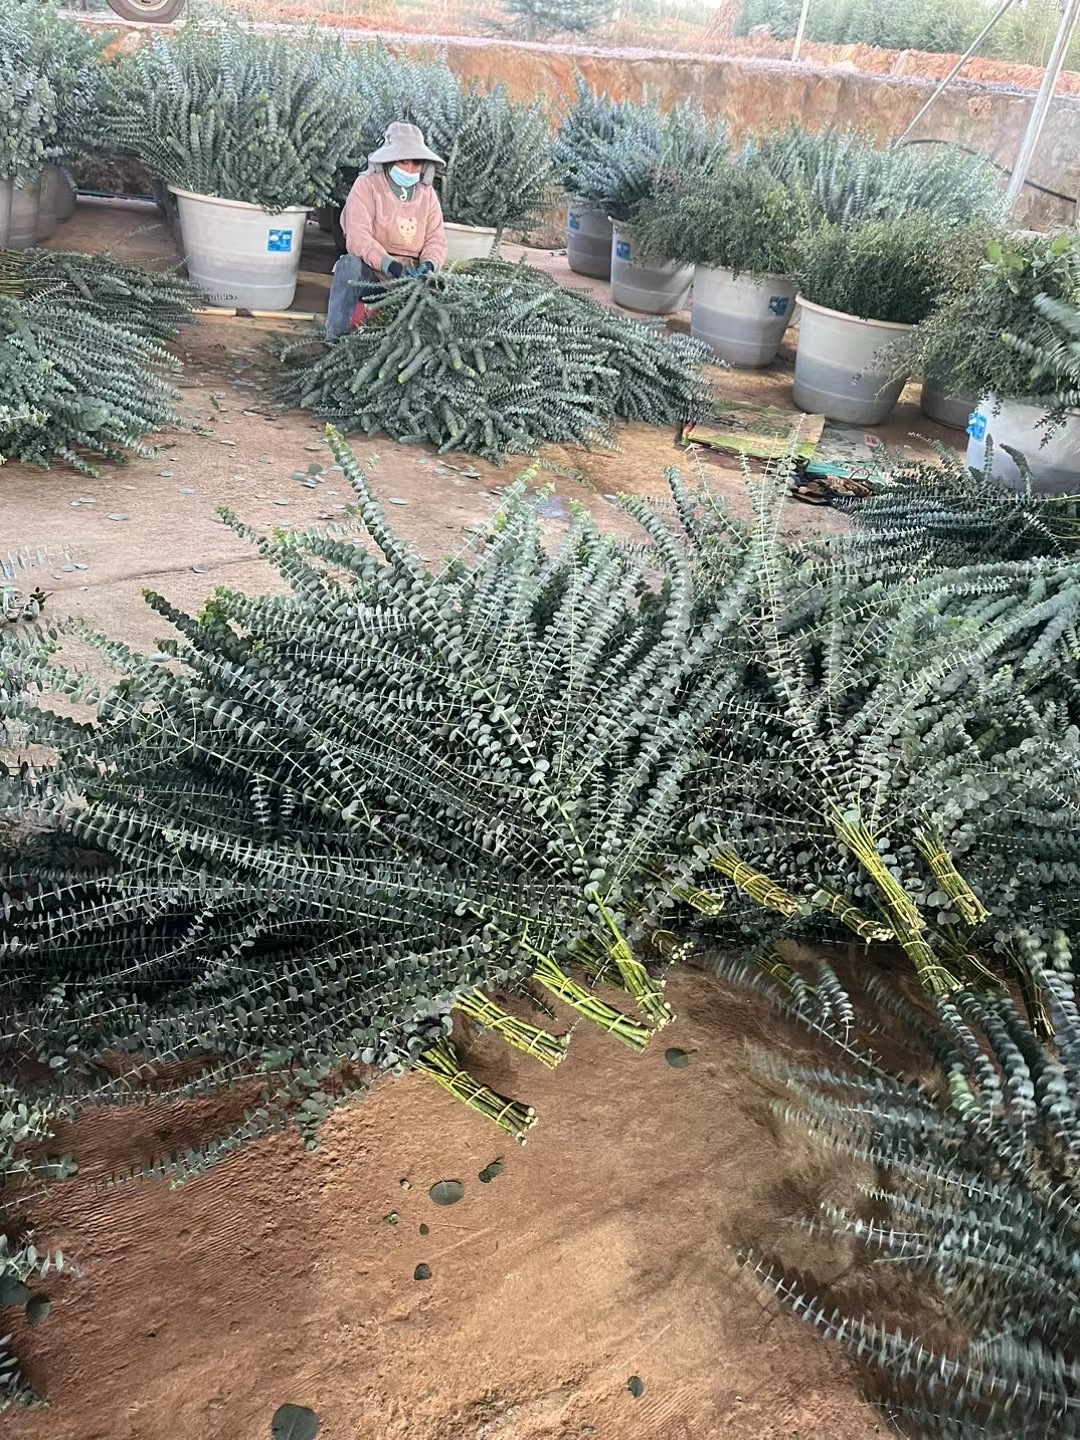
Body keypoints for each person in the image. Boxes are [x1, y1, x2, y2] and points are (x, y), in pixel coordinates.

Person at [326, 122, 447, 340]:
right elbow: (358, 236)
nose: (410, 169)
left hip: (413, 279)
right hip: (375, 275)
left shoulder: (427, 195)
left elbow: (436, 240)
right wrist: (390, 265)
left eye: (416, 163)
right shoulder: (367, 185)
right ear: (390, 160)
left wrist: (428, 266)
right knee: (348, 265)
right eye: (404, 161)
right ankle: (334, 338)